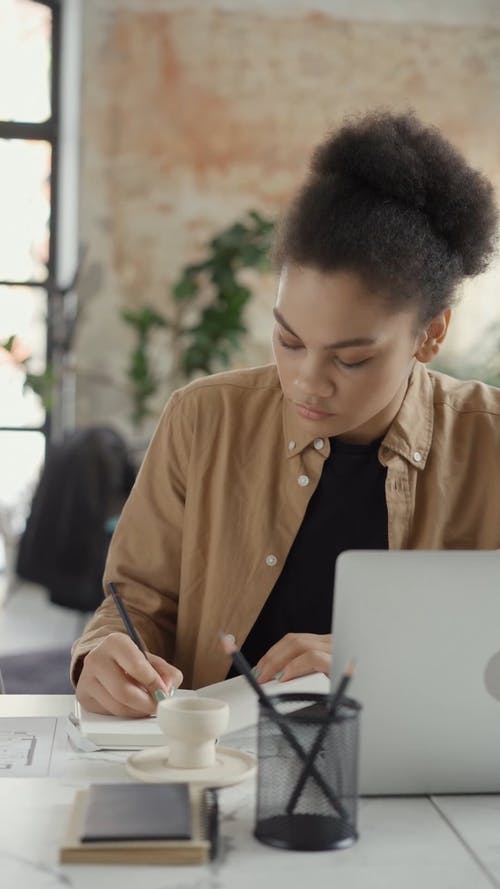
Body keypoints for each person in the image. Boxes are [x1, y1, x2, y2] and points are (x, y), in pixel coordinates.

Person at [72, 109, 500, 717]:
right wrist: (102, 654)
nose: (306, 381)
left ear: (430, 336)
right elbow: (135, 599)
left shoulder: (490, 443)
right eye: (289, 341)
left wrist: (377, 661)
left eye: (350, 359)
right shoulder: (202, 419)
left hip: (418, 778)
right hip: (217, 768)